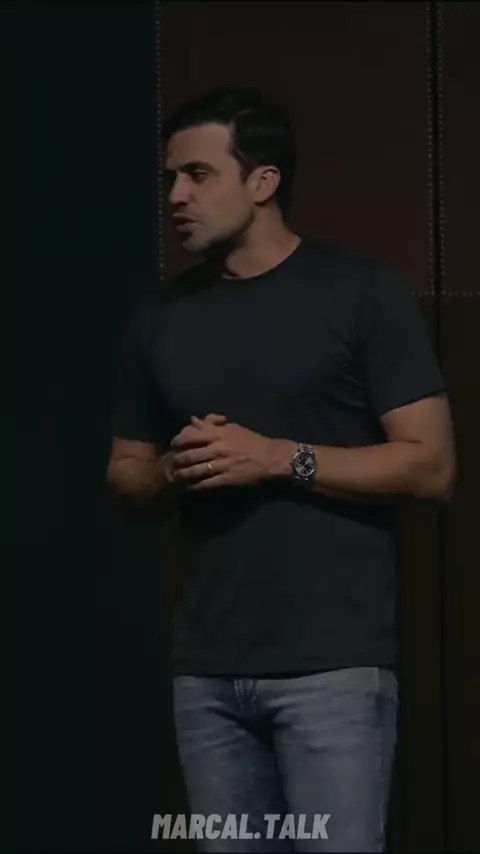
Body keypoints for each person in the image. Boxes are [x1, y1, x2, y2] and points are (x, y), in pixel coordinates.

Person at [106, 87, 456, 852]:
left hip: (333, 671)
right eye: (170, 179)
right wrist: (175, 471)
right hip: (206, 676)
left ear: (262, 181)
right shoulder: (159, 318)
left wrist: (275, 458)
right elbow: (126, 473)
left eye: (198, 175)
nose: (176, 196)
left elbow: (431, 467)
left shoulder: (361, 294)